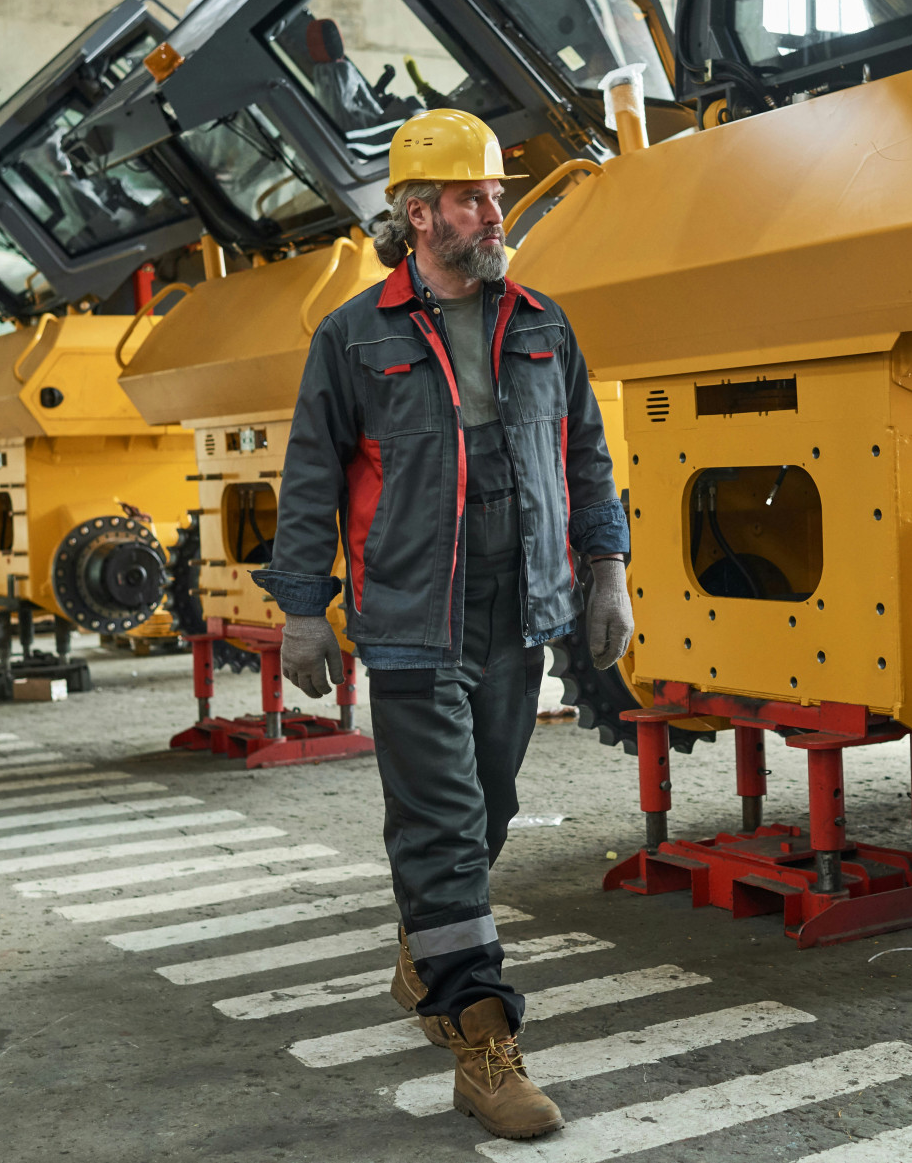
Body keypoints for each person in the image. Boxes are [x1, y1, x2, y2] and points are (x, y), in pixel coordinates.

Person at [253, 108, 634, 1141]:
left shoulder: (544, 323)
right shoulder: (353, 336)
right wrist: (303, 608)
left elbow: (588, 454)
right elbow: (311, 476)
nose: (495, 212)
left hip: (520, 605)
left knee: (491, 805)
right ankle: (482, 1041)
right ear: (420, 215)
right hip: (414, 610)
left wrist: (606, 569)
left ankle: (429, 942)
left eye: (496, 195)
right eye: (473, 198)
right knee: (446, 825)